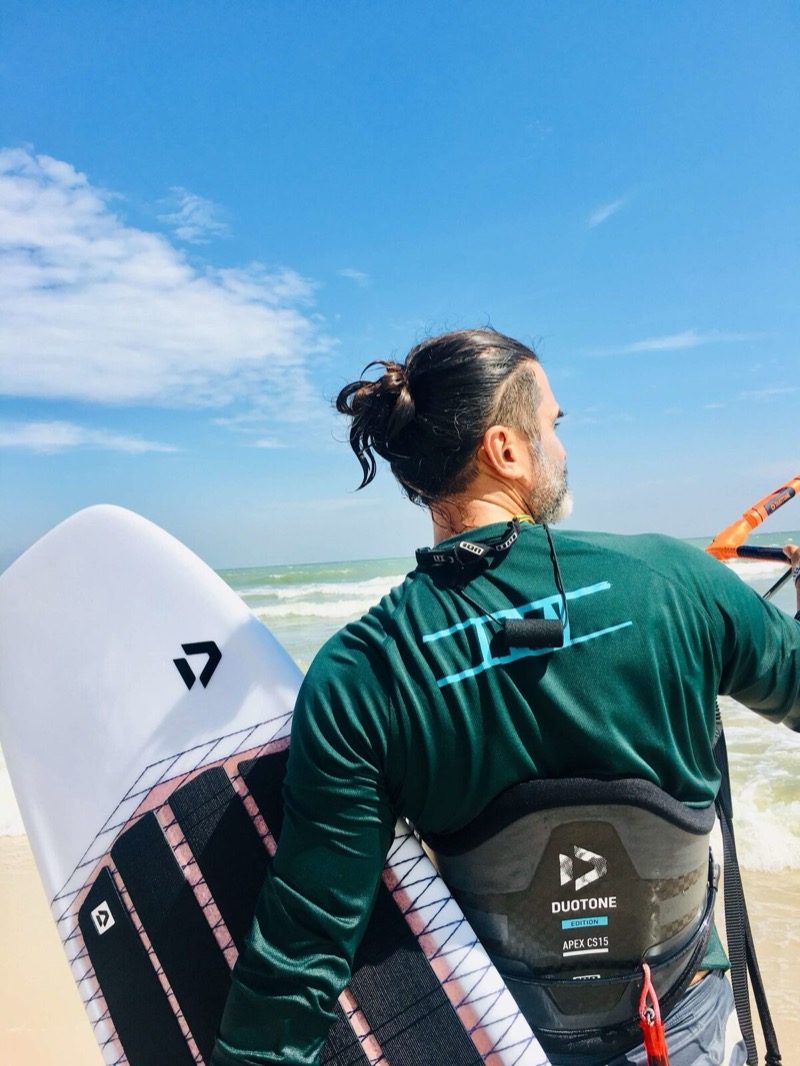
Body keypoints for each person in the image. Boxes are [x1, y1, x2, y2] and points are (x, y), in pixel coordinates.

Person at [211, 328, 800, 1066]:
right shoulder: (680, 584)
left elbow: (305, 948)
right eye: (552, 426)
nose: (561, 447)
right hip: (679, 1023)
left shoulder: (362, 672)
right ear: (506, 450)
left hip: (496, 1039)